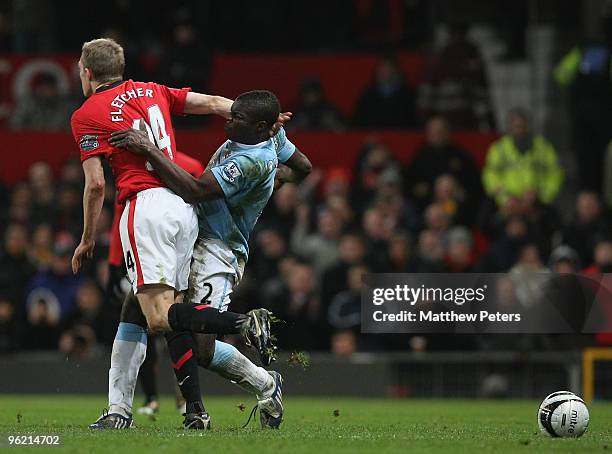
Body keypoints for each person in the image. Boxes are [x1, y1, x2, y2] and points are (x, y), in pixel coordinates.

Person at [70, 39, 278, 430]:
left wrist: (86, 238)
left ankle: (240, 324)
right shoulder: (153, 90)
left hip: (145, 208)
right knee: (136, 307)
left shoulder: (86, 113)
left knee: (161, 316)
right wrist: (262, 117)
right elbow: (217, 104)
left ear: (87, 73)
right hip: (182, 208)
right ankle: (138, 410)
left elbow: (96, 185)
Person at [110, 89, 312, 430]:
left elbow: (194, 189)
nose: (228, 121)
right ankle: (183, 410)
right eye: (232, 114)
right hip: (195, 234)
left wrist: (147, 148)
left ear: (259, 127)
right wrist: (275, 183)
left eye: (238, 119)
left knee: (202, 348)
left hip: (218, 249)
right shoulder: (273, 135)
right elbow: (303, 167)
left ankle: (265, 382)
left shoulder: (250, 161)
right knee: (148, 307)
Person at [482, 108, 563, 210]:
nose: (520, 129)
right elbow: (490, 175)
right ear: (510, 126)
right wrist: (505, 199)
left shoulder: (543, 147)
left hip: (537, 203)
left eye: (522, 125)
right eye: (516, 126)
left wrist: (541, 195)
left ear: (528, 125)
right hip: (509, 204)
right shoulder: (499, 149)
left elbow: (555, 173)